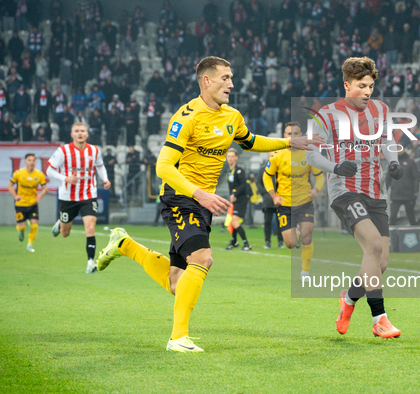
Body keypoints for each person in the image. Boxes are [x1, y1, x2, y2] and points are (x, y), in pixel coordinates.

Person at [95, 56, 322, 353]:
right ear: (207, 80)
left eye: (231, 78)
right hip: (180, 197)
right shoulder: (186, 116)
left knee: (178, 282)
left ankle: (124, 245)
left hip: (202, 203)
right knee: (203, 258)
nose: (231, 83)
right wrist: (199, 193)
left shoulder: (232, 116)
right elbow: (163, 167)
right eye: (225, 78)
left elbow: (250, 141)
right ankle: (178, 337)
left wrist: (288, 142)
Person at [306, 57, 405, 339]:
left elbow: (387, 141)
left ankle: (348, 298)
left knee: (380, 261)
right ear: (347, 85)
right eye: (362, 86)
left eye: (371, 86)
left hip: (376, 191)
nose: (367, 91)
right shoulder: (326, 114)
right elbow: (311, 153)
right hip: (344, 189)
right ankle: (380, 319)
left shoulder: (381, 109)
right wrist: (335, 167)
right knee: (373, 245)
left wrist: (393, 162)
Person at [46, 123, 112, 273]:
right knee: (65, 233)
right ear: (72, 134)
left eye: (82, 131)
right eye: (77, 131)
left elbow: (100, 165)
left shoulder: (95, 150)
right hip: (68, 197)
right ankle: (61, 223)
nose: (80, 133)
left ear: (87, 134)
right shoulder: (63, 151)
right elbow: (49, 170)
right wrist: (65, 178)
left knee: (90, 227)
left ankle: (90, 263)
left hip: (88, 194)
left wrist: (105, 179)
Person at [263, 122, 325, 279]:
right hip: (285, 204)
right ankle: (294, 230)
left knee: (307, 236)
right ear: (285, 136)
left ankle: (305, 271)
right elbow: (266, 176)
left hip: (304, 201)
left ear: (301, 135)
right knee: (290, 243)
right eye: (289, 134)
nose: (293, 136)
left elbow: (319, 176)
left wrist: (316, 190)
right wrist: (274, 196)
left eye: (296, 133)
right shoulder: (277, 155)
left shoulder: (309, 154)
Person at [8, 153, 47, 252]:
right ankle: (20, 230)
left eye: (33, 160)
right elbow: (9, 186)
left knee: (34, 225)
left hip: (33, 204)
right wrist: (15, 196)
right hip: (20, 204)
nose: (31, 162)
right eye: (29, 160)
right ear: (25, 162)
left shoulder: (39, 175)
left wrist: (40, 195)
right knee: (22, 226)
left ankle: (29, 245)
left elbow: (44, 188)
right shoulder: (18, 173)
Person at [224, 148, 251, 251]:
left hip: (241, 199)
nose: (230, 158)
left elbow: (244, 185)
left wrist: (235, 194)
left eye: (232, 156)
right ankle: (234, 241)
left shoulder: (239, 170)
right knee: (232, 221)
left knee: (235, 222)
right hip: (234, 200)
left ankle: (246, 244)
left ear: (236, 158)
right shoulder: (229, 171)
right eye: (228, 156)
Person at [258, 152, 284, 249]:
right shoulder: (262, 170)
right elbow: (258, 182)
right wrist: (264, 192)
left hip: (279, 198)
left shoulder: (280, 168)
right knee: (267, 221)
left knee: (280, 221)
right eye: (271, 155)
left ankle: (280, 241)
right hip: (268, 200)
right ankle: (267, 241)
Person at [389, 148, 419, 225]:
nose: (399, 151)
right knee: (392, 217)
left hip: (408, 194)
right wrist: (384, 192)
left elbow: (416, 177)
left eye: (400, 148)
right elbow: (387, 179)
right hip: (395, 195)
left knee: (411, 216)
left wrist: (415, 191)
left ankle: (416, 233)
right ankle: (391, 235)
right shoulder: (392, 163)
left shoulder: (411, 162)